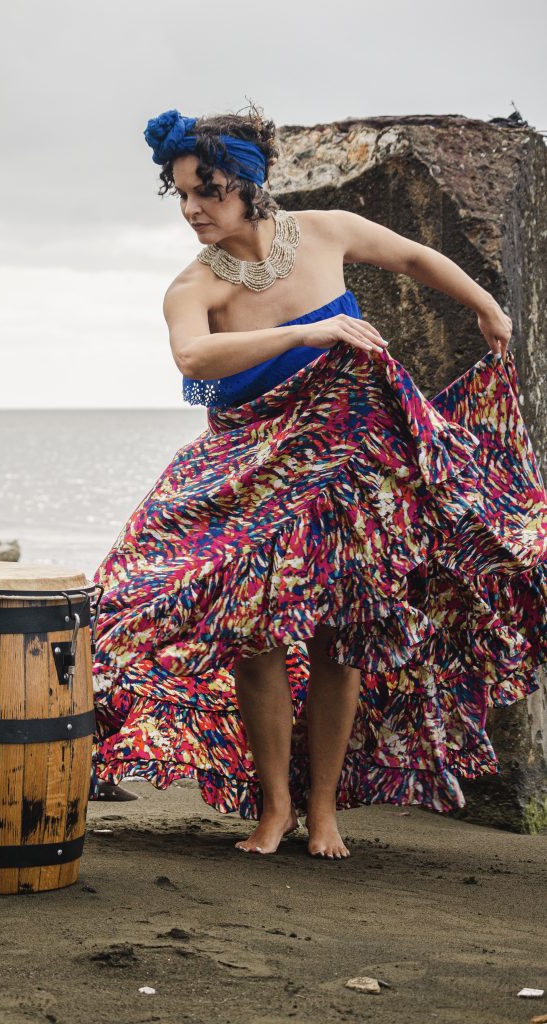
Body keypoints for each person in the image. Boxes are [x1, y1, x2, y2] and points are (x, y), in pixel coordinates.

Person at [88, 104, 547, 859]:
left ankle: (325, 810)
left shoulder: (325, 230)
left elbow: (409, 258)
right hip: (250, 471)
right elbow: (194, 361)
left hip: (351, 468)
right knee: (251, 635)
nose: (193, 210)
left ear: (250, 183)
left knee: (342, 637)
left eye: (206, 191)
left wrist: (486, 306)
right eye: (180, 195)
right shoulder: (192, 285)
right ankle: (273, 809)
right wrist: (309, 330)